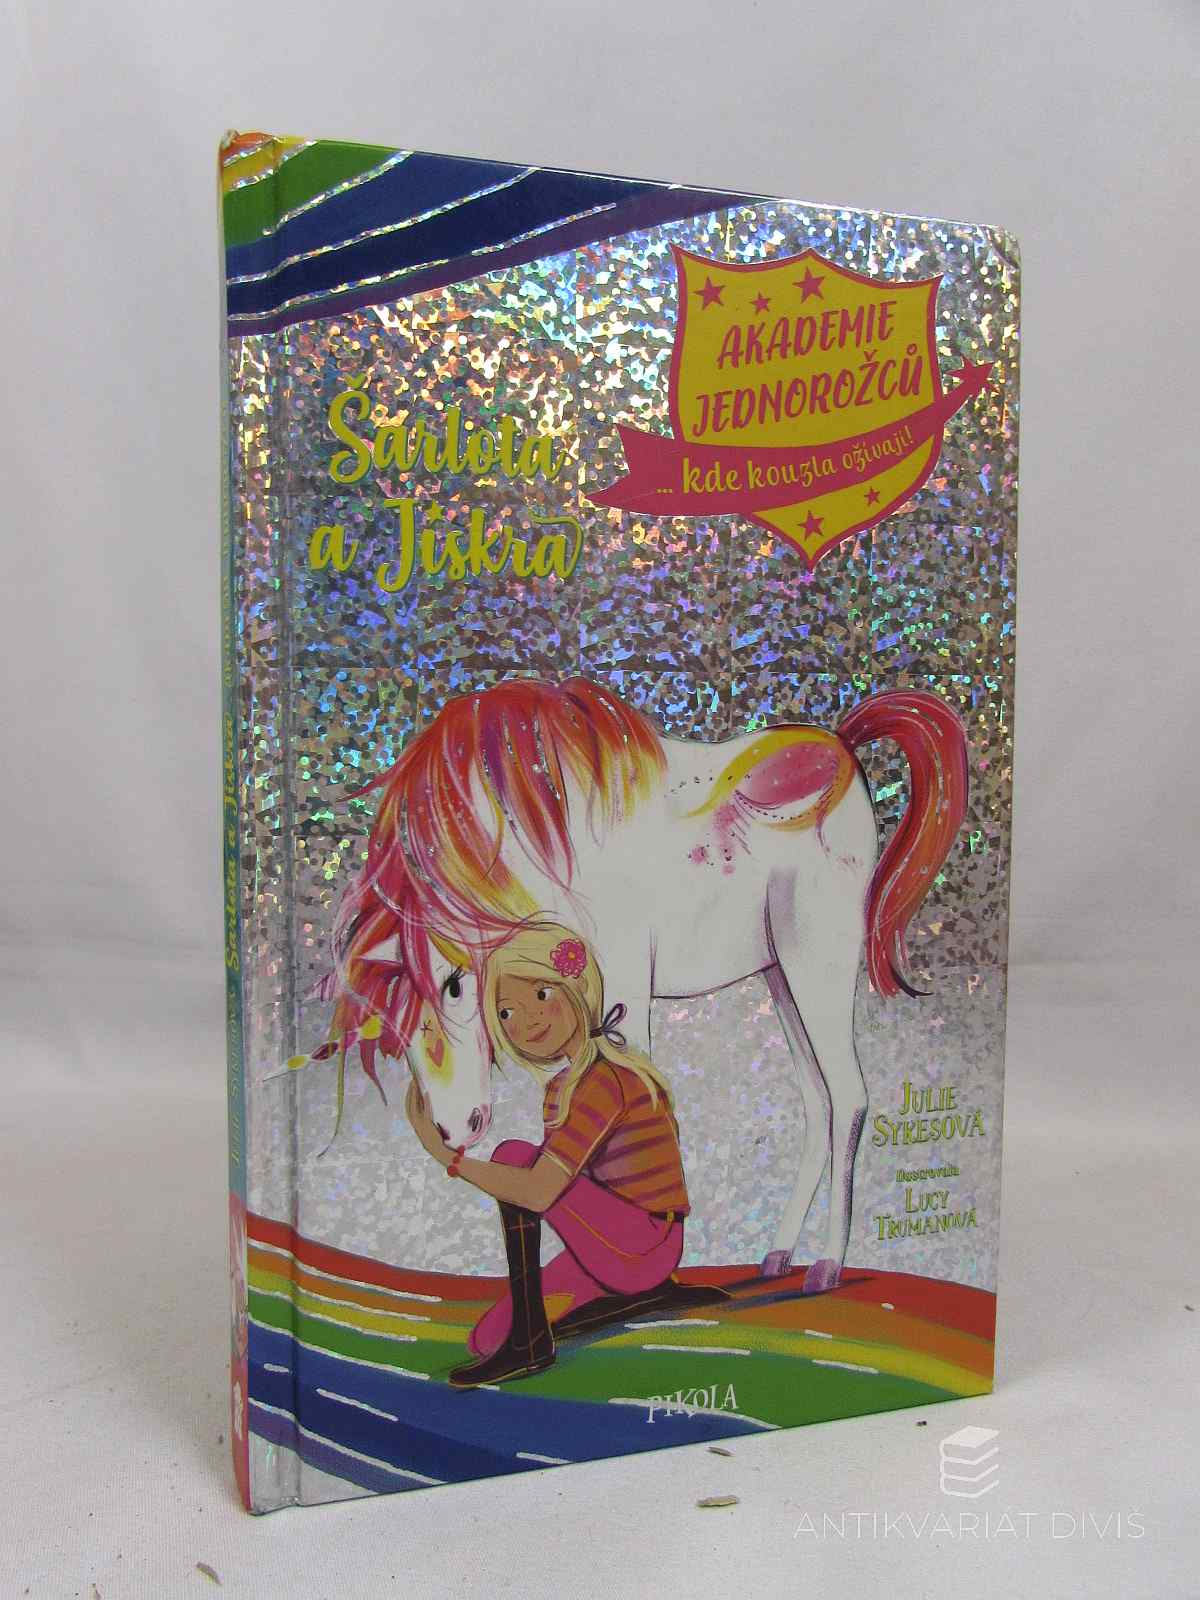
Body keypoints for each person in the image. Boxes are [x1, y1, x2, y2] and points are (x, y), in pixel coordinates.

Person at [404, 919, 726, 1387]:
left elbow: (539, 1192)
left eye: (541, 994)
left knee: (514, 1157)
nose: (528, 1020)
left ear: (577, 989)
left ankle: (531, 1342)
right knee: (485, 1338)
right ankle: (630, 1299)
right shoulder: (567, 1084)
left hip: (645, 1245)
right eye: (507, 1012)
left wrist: (449, 1158)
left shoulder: (605, 1080)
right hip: (622, 1244)